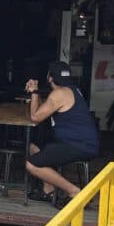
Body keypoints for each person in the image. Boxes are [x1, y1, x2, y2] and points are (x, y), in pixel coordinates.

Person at [24, 61, 100, 203]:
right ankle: (49, 190)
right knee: (34, 147)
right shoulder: (72, 89)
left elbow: (35, 118)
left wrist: (34, 92)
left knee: (31, 164)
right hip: (80, 143)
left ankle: (74, 192)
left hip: (78, 145)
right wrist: (36, 93)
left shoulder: (59, 94)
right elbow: (44, 110)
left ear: (50, 78)